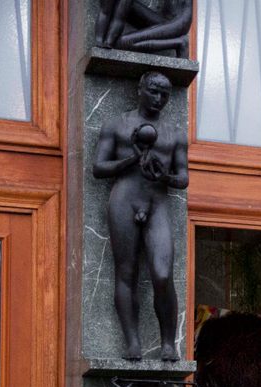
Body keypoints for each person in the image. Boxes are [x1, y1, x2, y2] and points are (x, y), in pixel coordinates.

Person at [92, 70, 188, 361]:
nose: (159, 99)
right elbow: (99, 168)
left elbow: (183, 177)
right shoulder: (117, 125)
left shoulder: (174, 132)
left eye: (165, 95)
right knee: (126, 272)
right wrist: (133, 159)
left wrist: (166, 176)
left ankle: (169, 342)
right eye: (154, 91)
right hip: (124, 198)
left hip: (157, 199)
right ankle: (132, 341)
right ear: (140, 89)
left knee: (162, 273)